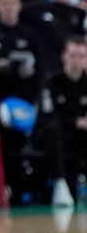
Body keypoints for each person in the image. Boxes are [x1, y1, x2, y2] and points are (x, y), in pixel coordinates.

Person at [38, 36, 87, 207]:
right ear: (64, 56)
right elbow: (47, 115)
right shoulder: (51, 82)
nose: (77, 60)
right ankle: (60, 184)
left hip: (82, 137)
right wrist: (76, 122)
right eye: (73, 55)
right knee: (53, 130)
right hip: (59, 135)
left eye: (81, 56)